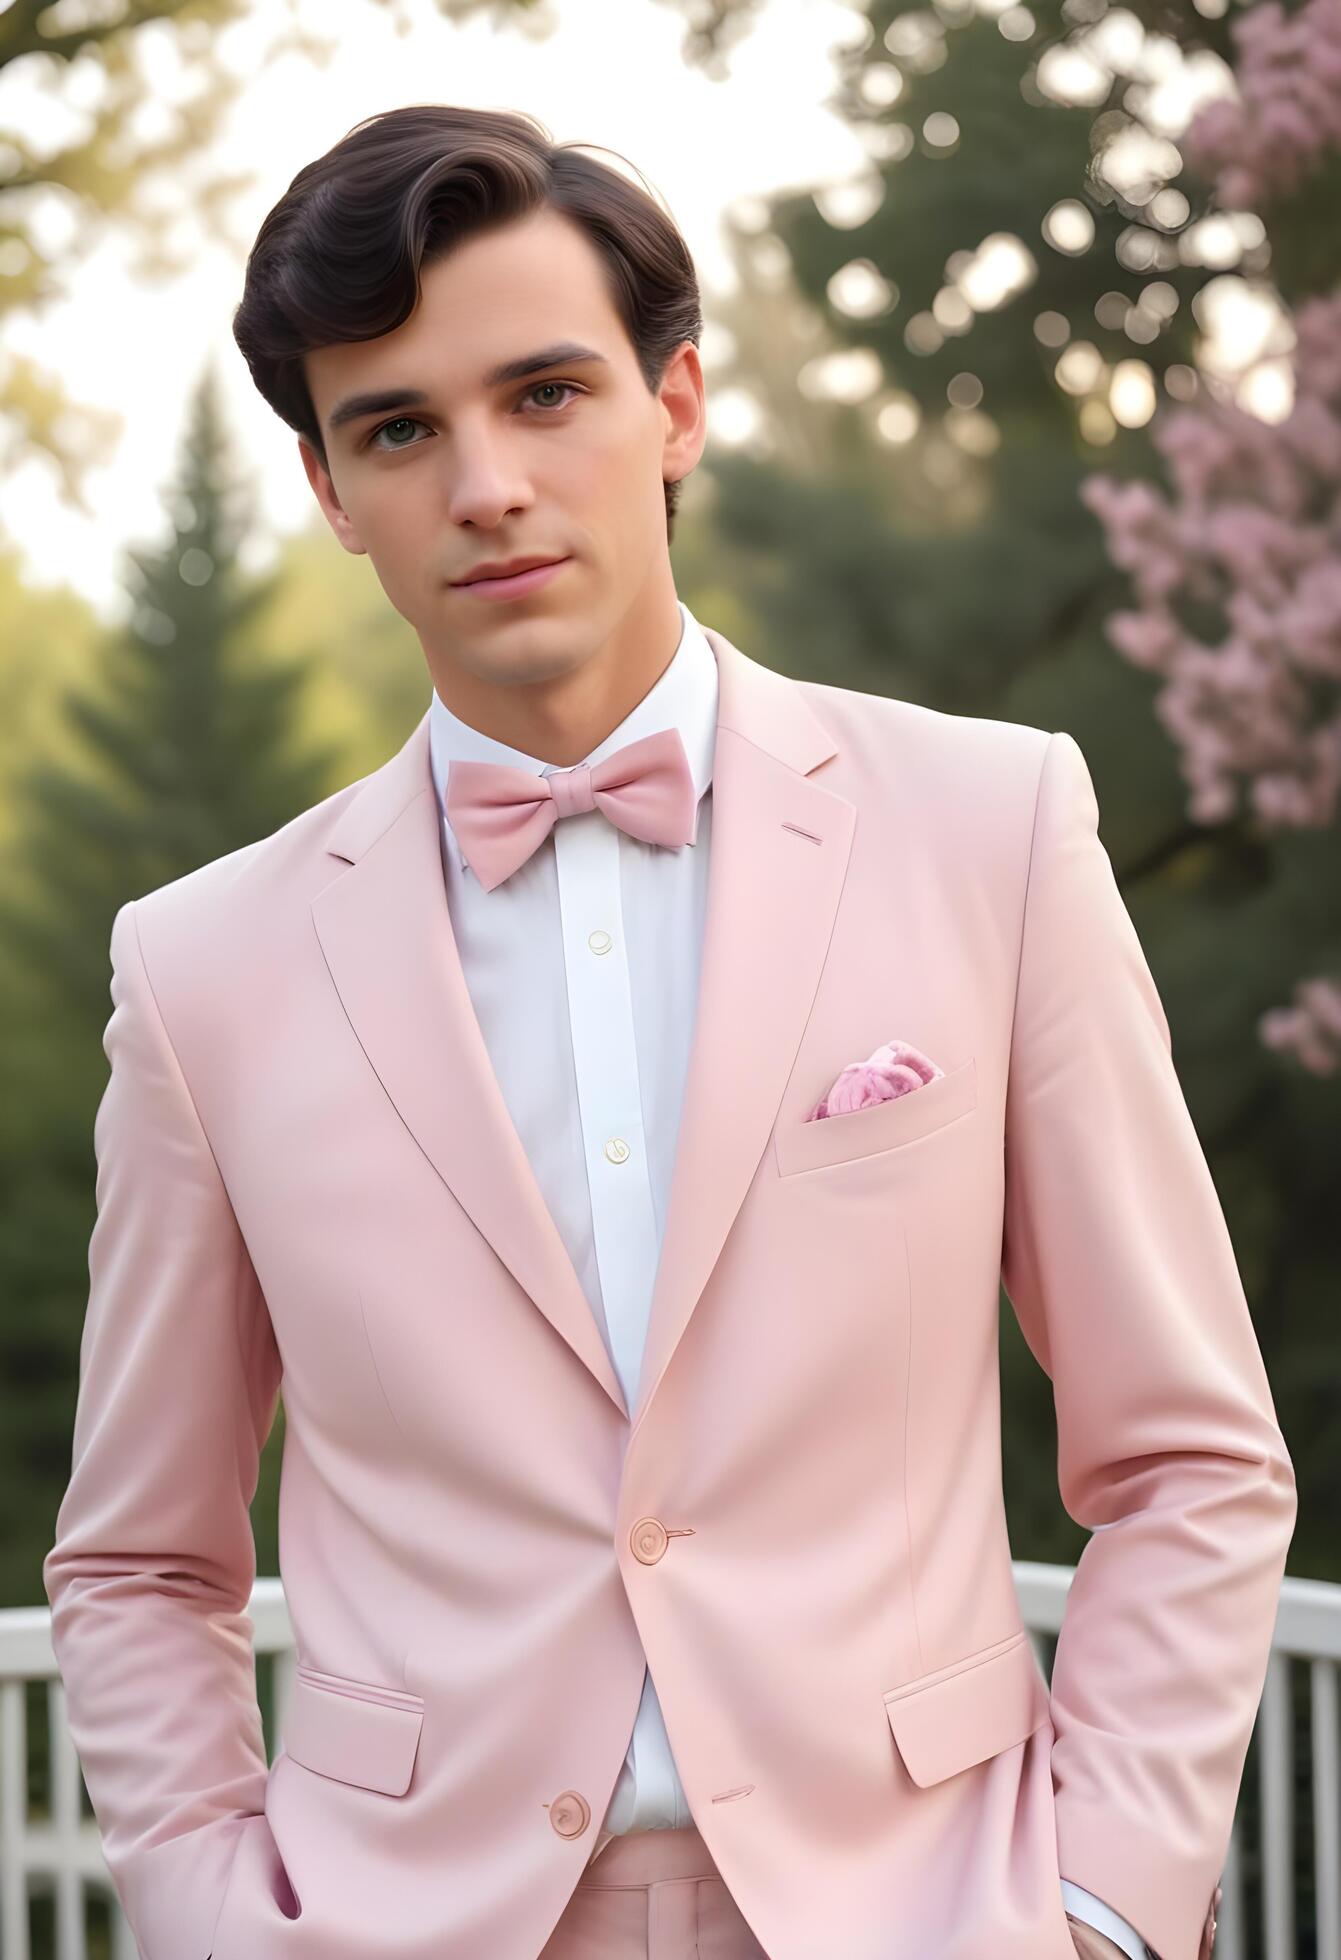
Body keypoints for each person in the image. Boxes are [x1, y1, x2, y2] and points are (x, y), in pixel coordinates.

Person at [42, 103, 1290, 1960]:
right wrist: (216, 1918)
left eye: (544, 393)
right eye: (399, 427)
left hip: (933, 1917)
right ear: (332, 490)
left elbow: (1188, 1457)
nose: (484, 482)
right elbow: (140, 1561)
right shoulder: (203, 966)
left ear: (675, 408)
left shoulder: (989, 828)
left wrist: (1101, 1906)